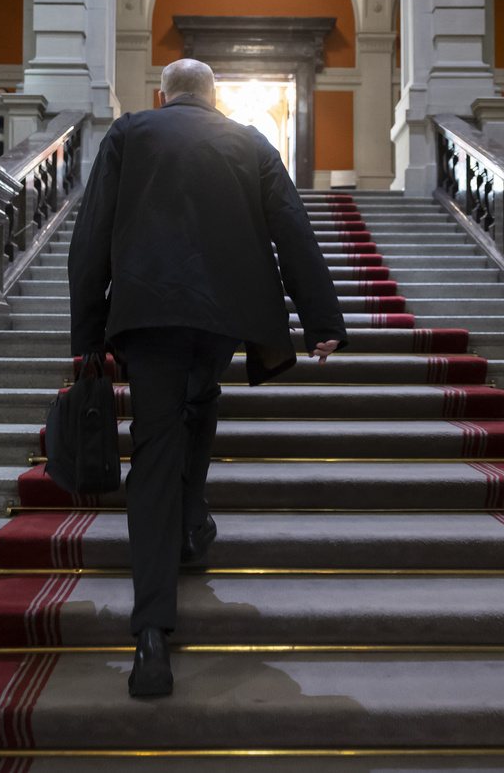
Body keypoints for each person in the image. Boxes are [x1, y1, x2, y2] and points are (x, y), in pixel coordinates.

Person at [67, 58, 347, 698]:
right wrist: (321, 318)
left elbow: (92, 237)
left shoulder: (130, 132)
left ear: (162, 94)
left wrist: (87, 335)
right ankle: (193, 520)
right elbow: (291, 227)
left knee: (157, 444)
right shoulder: (248, 141)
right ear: (214, 99)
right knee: (202, 393)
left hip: (147, 310)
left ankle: (151, 637)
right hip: (225, 313)